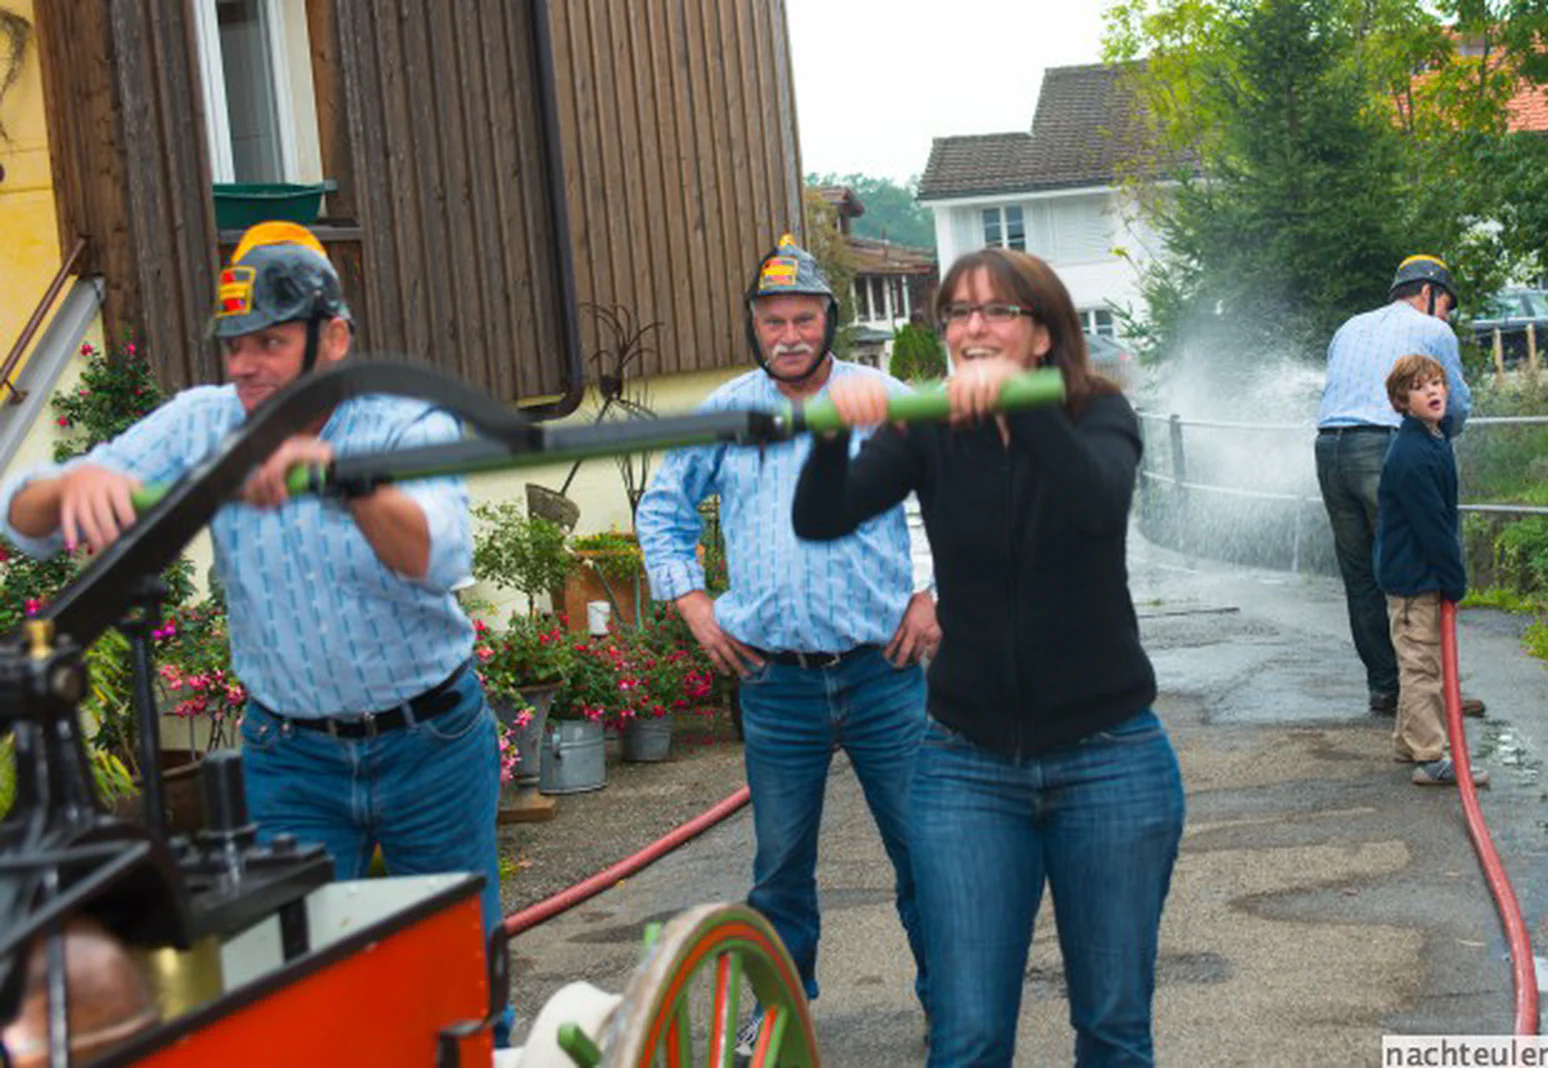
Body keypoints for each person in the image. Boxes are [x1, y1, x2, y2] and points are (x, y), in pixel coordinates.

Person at [0, 222, 511, 1044]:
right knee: (290, 997)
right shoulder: (204, 423)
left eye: (269, 343)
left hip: (431, 747)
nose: (243, 365)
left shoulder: (402, 421)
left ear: (333, 339)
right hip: (292, 759)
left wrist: (343, 482)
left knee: (467, 989)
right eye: (234, 345)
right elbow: (19, 515)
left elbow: (438, 554)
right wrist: (74, 484)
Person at [793, 247, 1185, 1067]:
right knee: (967, 1038)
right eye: (958, 312)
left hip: (1110, 757)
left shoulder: (1099, 413)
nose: (972, 326)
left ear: (1041, 334)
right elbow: (822, 519)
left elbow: (1096, 504)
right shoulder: (930, 427)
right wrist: (831, 434)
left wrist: (1016, 404)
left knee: (1114, 1030)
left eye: (996, 310)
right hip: (966, 765)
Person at [635, 234, 936, 1046]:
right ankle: (777, 1015)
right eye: (774, 321)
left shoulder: (882, 398)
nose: (791, 335)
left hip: (883, 674)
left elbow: (951, 493)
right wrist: (694, 605)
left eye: (805, 318)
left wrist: (932, 594)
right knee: (779, 868)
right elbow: (662, 511)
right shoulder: (727, 414)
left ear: (829, 320)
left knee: (925, 852)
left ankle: (951, 1002)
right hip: (777, 683)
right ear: (754, 326)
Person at [1317, 254, 1482, 718]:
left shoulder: (1349, 327)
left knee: (1361, 576)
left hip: (1329, 449)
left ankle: (1387, 688)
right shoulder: (1433, 330)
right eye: (1446, 305)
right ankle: (1434, 693)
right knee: (1419, 566)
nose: (1446, 316)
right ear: (1428, 293)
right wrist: (1438, 440)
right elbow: (1455, 405)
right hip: (1384, 448)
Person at [1375, 354, 1488, 787]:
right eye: (1420, 388)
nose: (1433, 391)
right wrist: (1453, 577)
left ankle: (1408, 742)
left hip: (1419, 573)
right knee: (1422, 667)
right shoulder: (1412, 455)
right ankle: (1430, 757)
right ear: (1402, 402)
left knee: (1421, 662)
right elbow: (1432, 524)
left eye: (1437, 383)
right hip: (1413, 579)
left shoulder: (1432, 438)